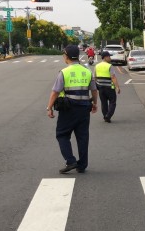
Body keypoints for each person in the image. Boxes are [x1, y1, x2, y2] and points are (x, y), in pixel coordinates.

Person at [46, 45, 98, 174]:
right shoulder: (87, 71)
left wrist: (49, 108)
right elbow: (94, 90)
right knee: (83, 137)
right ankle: (82, 165)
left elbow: (55, 92)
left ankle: (70, 161)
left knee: (62, 134)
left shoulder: (64, 72)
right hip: (85, 107)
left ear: (66, 56)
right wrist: (95, 103)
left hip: (68, 108)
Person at [95, 51, 121, 123]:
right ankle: (108, 116)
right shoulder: (109, 66)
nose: (110, 58)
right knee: (112, 102)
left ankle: (105, 116)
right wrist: (117, 87)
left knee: (104, 103)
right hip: (109, 87)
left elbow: (95, 77)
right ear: (105, 57)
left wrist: (97, 85)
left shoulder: (97, 66)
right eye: (109, 56)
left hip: (100, 88)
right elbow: (113, 77)